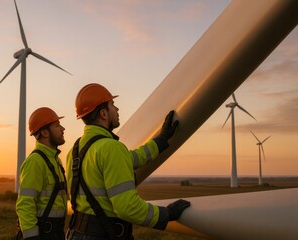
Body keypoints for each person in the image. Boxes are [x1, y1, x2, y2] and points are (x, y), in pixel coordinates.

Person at [66, 83, 191, 240]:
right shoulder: (111, 148)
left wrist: (161, 140)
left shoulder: (75, 150)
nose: (117, 109)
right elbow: (127, 208)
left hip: (76, 234)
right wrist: (166, 213)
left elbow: (132, 158)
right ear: (103, 114)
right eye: (113, 105)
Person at [16, 107, 67, 240]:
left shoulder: (56, 160)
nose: (63, 129)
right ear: (45, 132)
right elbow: (25, 205)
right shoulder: (35, 162)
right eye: (57, 126)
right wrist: (32, 237)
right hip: (43, 234)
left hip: (57, 233)